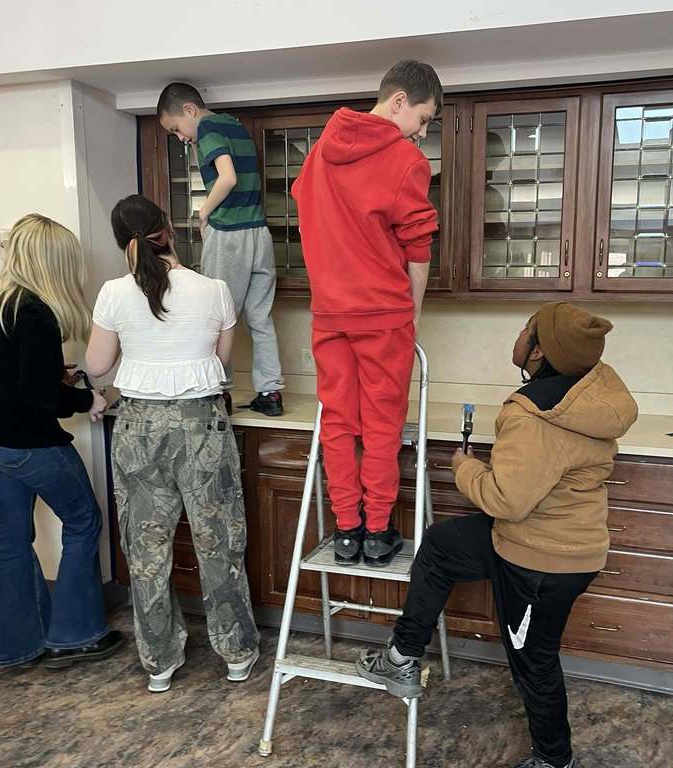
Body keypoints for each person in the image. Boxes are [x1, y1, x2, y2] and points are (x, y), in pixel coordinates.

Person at [357, 302, 639, 768]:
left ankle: (554, 759)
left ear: (539, 351)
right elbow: (533, 480)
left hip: (542, 562)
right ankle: (402, 654)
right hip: (544, 538)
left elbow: (506, 501)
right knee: (442, 545)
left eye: (527, 331)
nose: (520, 337)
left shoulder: (533, 414)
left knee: (534, 662)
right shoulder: (590, 393)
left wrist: (464, 467)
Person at [86, 194, 260, 693]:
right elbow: (222, 362)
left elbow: (97, 366)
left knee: (146, 549)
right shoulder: (213, 289)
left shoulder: (114, 293)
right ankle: (236, 653)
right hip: (202, 423)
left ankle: (159, 662)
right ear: (168, 229)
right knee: (219, 541)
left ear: (122, 242)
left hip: (138, 427)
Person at [291, 59, 441, 566]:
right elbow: (418, 249)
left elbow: (307, 211)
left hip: (329, 314)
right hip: (382, 315)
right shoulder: (405, 160)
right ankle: (377, 531)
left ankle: (346, 531)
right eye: (423, 118)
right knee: (381, 426)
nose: (421, 132)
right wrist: (412, 314)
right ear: (398, 101)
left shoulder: (318, 154)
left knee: (337, 424)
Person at [0, 213, 123, 669]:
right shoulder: (35, 313)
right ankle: (74, 635)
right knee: (83, 521)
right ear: (53, 261)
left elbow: (2, 374)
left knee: (12, 535)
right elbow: (40, 398)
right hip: (25, 444)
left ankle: (17, 645)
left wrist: (54, 377)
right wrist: (86, 398)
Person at [157, 82, 285, 418]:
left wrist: (203, 212)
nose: (180, 137)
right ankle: (270, 392)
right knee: (260, 318)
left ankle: (220, 392)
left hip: (229, 235)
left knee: (217, 317)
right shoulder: (235, 126)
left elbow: (227, 178)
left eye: (176, 128)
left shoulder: (208, 129)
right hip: (259, 234)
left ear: (189, 110)